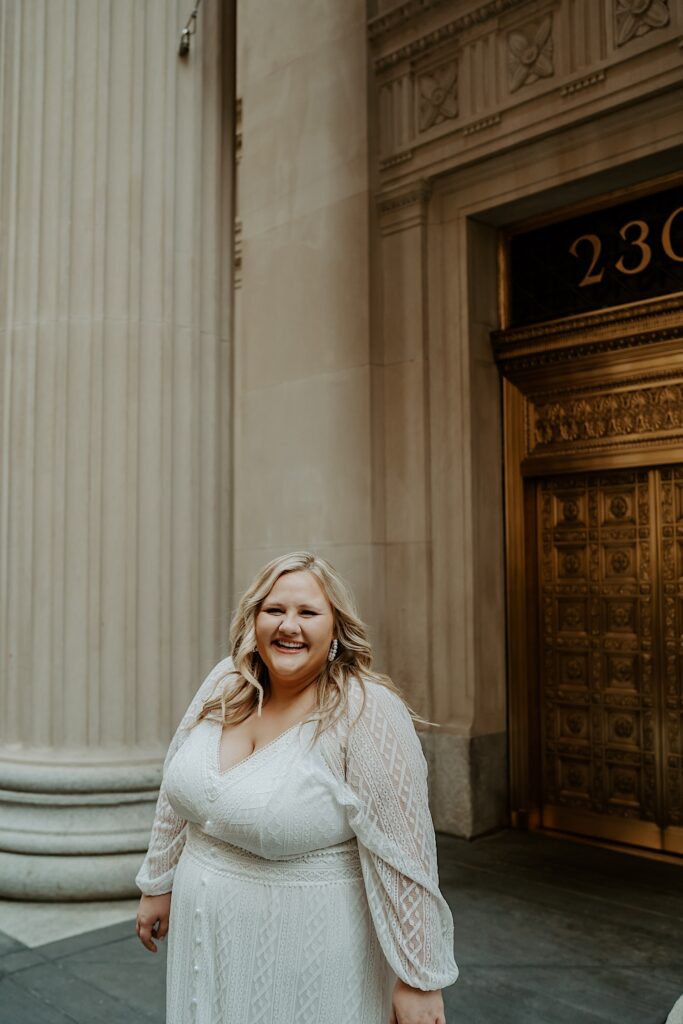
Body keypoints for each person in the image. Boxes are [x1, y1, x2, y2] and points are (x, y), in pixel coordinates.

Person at [135, 551, 458, 1024]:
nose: (290, 626)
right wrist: (157, 883)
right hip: (204, 942)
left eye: (308, 612)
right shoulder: (225, 681)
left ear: (335, 629)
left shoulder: (366, 711)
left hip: (308, 955)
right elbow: (176, 790)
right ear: (254, 619)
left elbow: (406, 854)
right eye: (275, 610)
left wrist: (418, 978)